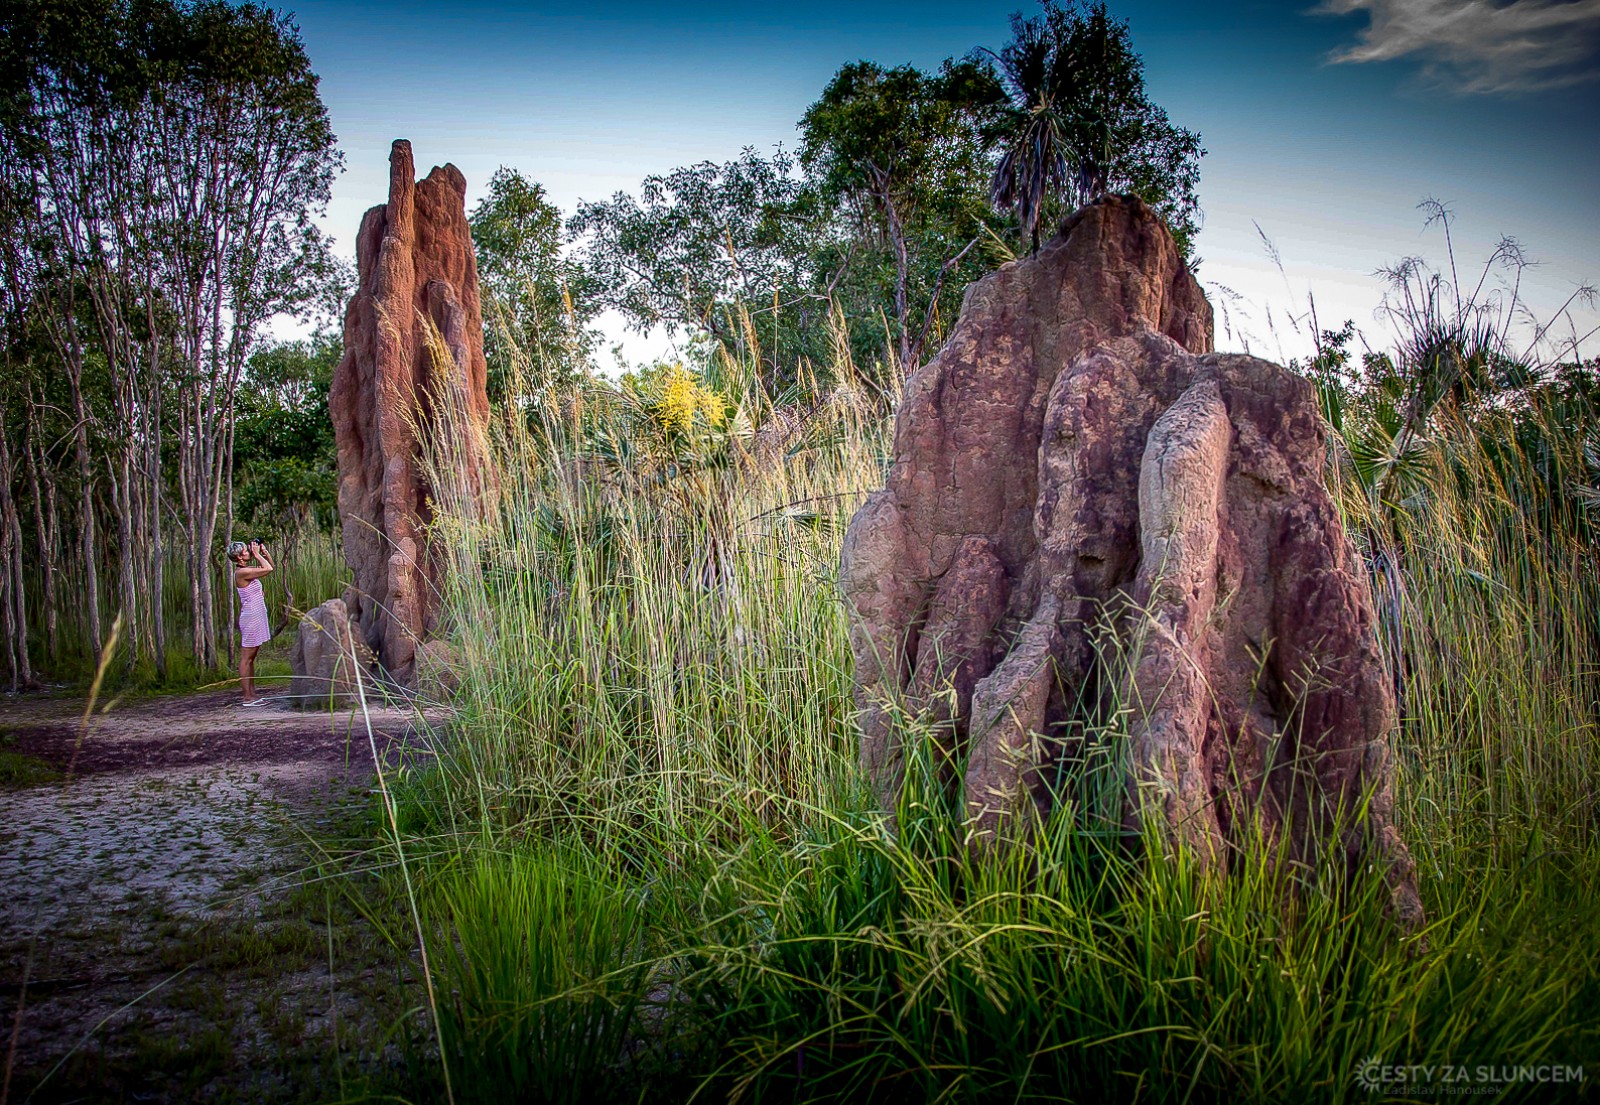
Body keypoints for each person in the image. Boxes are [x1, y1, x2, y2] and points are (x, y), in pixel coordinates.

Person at [228, 539, 274, 706]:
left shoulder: (247, 570)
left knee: (251, 657)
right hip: (251, 618)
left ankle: (252, 694)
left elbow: (270, 566)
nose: (249, 552)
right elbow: (268, 569)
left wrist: (264, 552)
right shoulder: (241, 573)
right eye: (246, 552)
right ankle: (247, 697)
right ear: (240, 558)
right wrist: (256, 554)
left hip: (257, 616)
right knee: (246, 657)